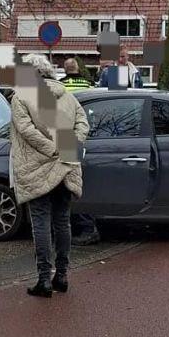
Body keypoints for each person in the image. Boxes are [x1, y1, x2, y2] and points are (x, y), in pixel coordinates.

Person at [10, 54, 89, 297]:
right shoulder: (68, 96)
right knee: (62, 221)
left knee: (41, 223)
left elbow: (26, 130)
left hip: (37, 167)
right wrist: (67, 146)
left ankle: (44, 279)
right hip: (67, 165)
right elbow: (83, 124)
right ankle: (62, 276)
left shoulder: (22, 96)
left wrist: (50, 149)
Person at [61, 57, 99, 244]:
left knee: (71, 183)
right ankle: (84, 226)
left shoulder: (61, 86)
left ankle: (82, 227)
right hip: (88, 134)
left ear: (65, 69)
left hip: (68, 138)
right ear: (78, 68)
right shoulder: (89, 85)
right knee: (80, 184)